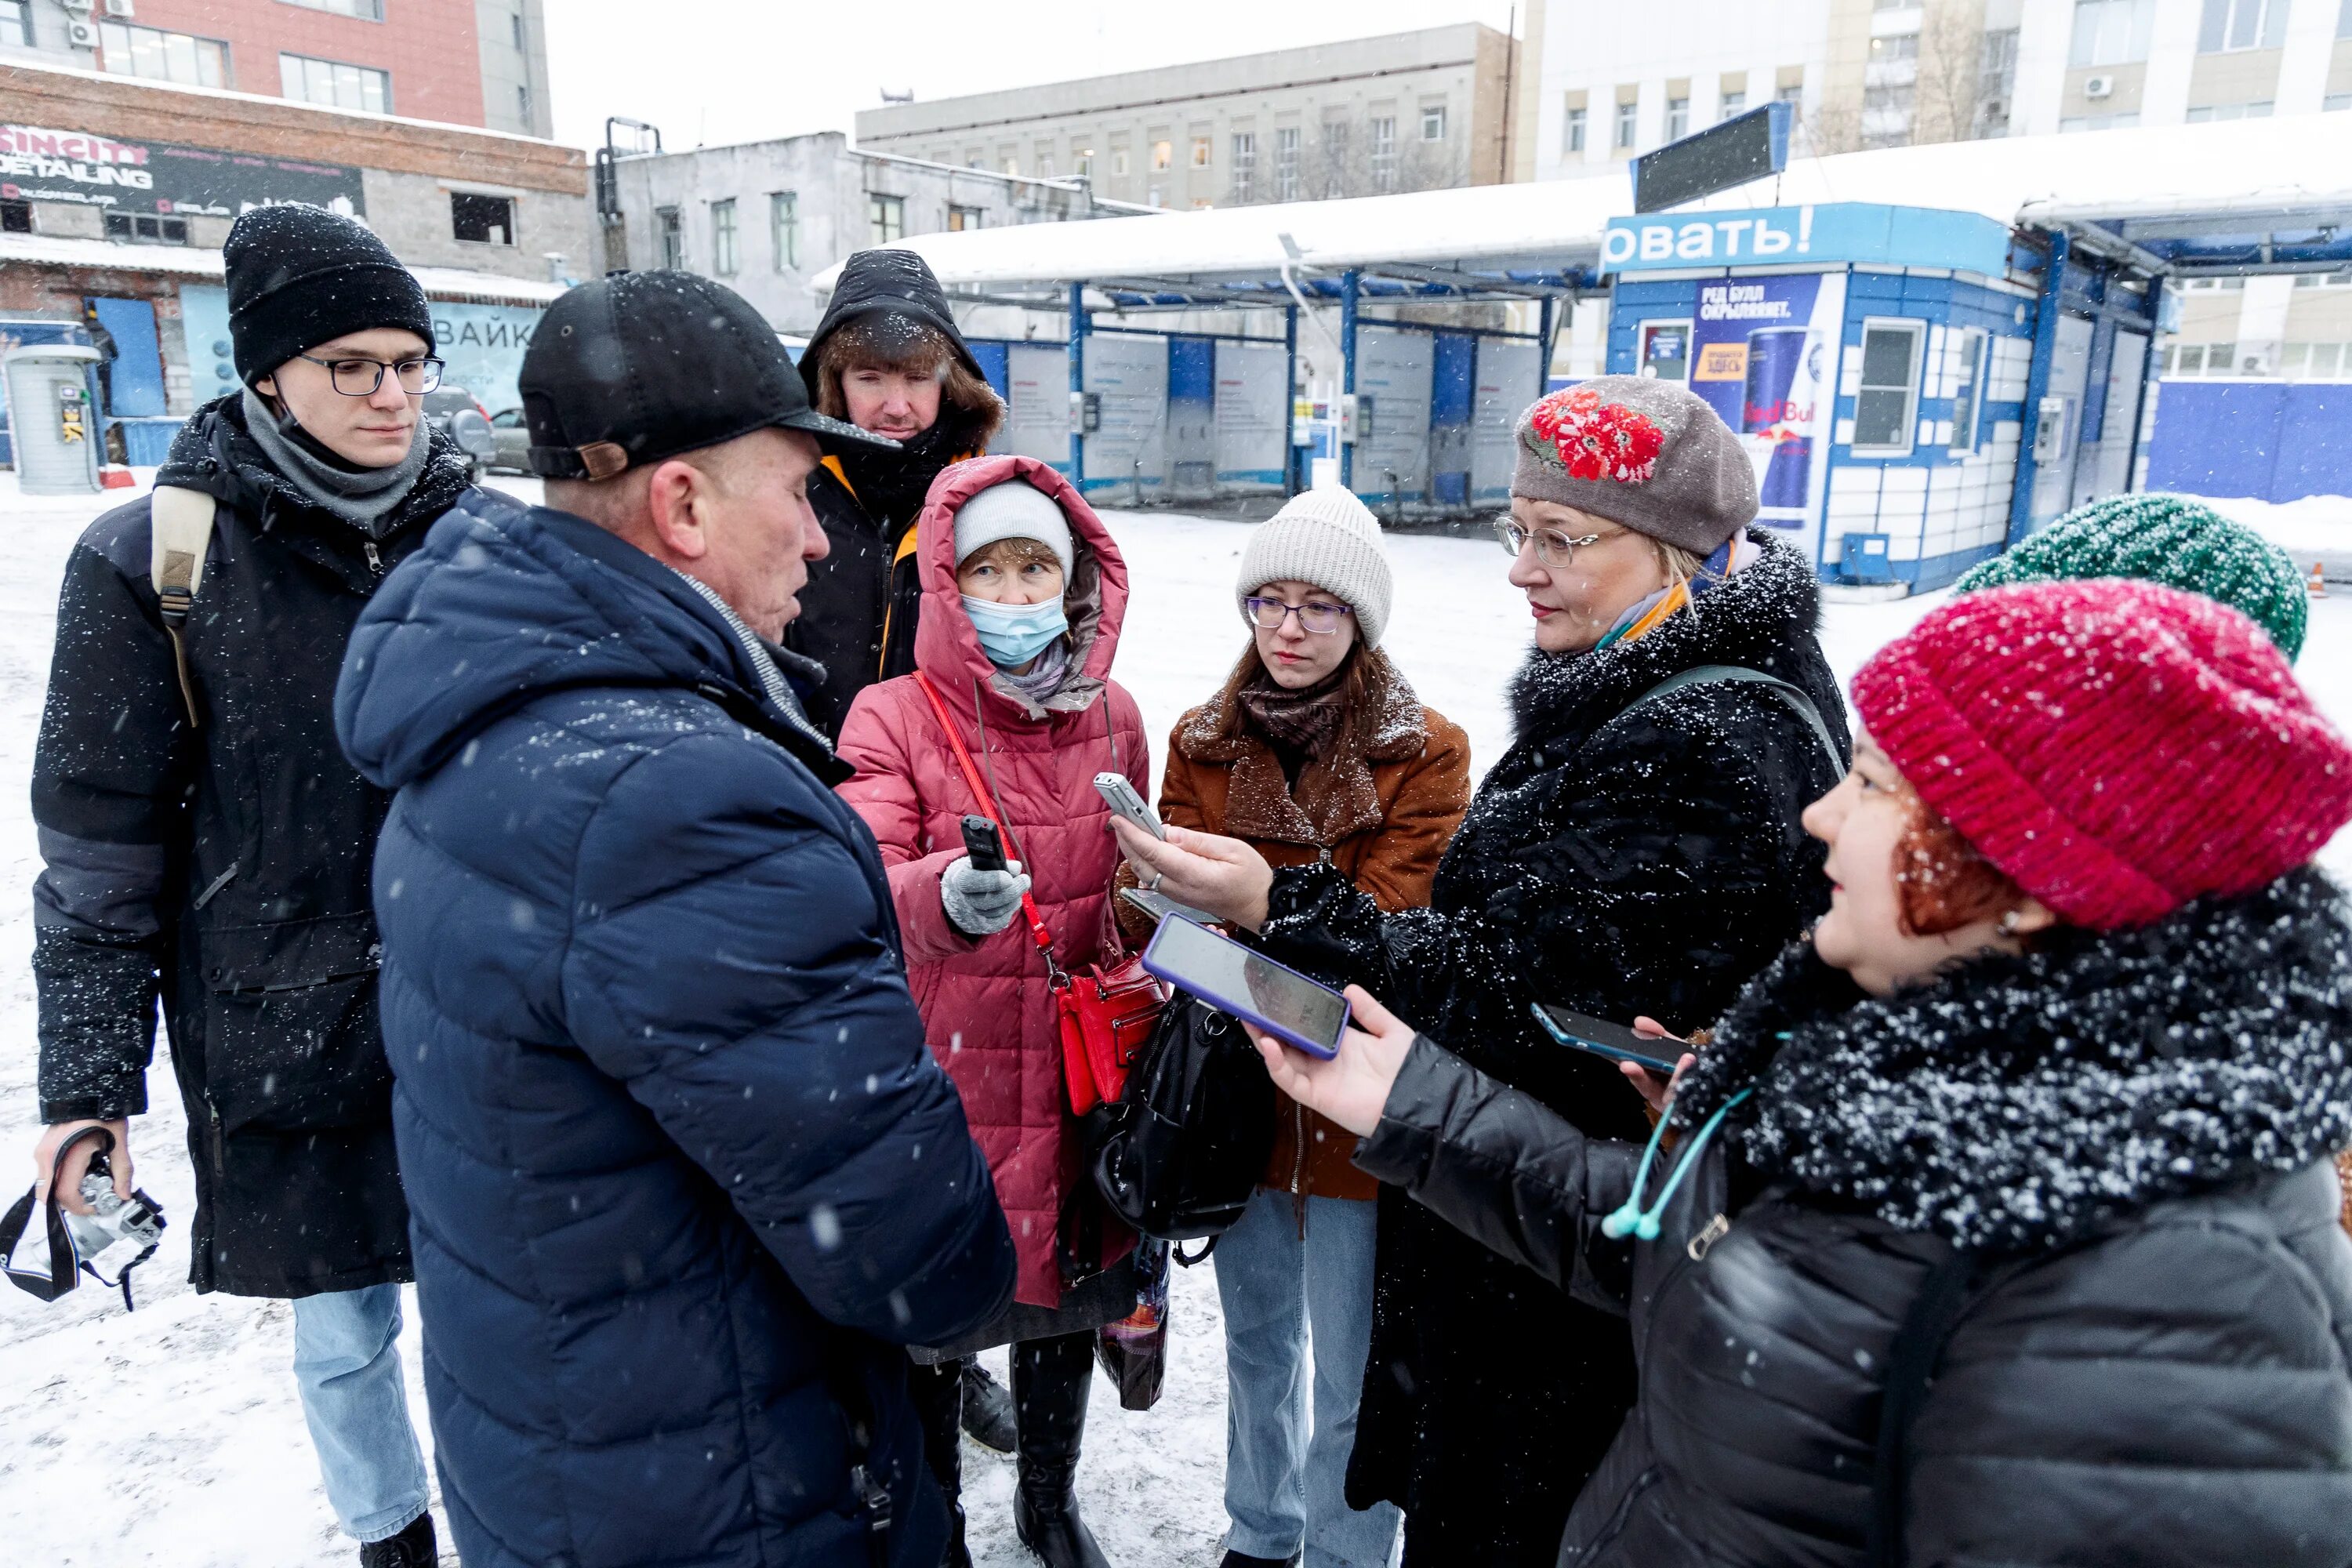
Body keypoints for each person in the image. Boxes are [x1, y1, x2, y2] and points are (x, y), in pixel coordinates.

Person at [1254, 579, 2352, 1568]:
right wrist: (1411, 1099)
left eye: (1875, 788)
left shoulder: (2170, 1294)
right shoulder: (1943, 1089)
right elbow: (1704, 1268)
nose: (1821, 812)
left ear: (2025, 875)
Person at [332, 270, 1017, 1568]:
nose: (822, 541)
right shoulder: (685, 799)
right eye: (799, 493)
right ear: (684, 504)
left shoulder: (491, 719)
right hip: (730, 1489)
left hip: (573, 1455)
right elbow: (919, 1256)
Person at [1114, 378, 1852, 1566]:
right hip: (1545, 1249)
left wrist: (1275, 902)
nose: (1520, 569)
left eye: (1561, 538)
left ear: (1676, 552)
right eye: (1521, 531)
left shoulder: (1705, 740)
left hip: (1552, 1298)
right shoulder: (1656, 688)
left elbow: (1521, 999)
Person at [27, 205, 475, 1568]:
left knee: (508, 1310)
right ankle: (389, 1542)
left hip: (484, 1008)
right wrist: (87, 1092)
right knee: (346, 1332)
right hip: (285, 1025)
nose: (393, 393)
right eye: (353, 364)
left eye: (410, 360)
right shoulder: (149, 565)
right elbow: (99, 860)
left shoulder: (479, 538)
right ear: (266, 372)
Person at [1109, 487, 1469, 1568]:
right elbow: (1152, 913)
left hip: (1361, 1107)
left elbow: (1393, 940)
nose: (1289, 626)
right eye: (1268, 599)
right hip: (1238, 1106)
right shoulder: (1202, 741)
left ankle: (1349, 1552)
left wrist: (1243, 922)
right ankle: (1259, 1535)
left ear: (1362, 619)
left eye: (1319, 604)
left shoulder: (1429, 752)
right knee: (1260, 1349)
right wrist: (1184, 913)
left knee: (1359, 1367)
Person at [834, 456, 1149, 1568]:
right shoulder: (892, 712)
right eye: (988, 570)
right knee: (941, 1319)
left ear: (1072, 584)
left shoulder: (1115, 715)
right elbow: (862, 878)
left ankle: (1047, 1501)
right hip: (945, 1070)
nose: (1013, 595)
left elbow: (1126, 891)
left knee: (1064, 1297)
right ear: (947, 583)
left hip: (1071, 1071)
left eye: (1035, 569)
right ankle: (944, 1523)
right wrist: (941, 898)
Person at [788, 247, 1007, 739]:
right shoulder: (787, 496)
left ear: (949, 385)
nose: (896, 405)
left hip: (948, 786)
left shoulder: (993, 501)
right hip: (812, 780)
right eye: (869, 378)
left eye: (916, 378)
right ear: (834, 384)